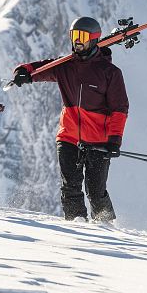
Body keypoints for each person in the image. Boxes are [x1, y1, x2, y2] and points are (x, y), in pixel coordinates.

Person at [11, 16, 129, 222]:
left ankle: (106, 227)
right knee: (70, 186)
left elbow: (119, 109)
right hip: (69, 137)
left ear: (93, 39)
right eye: (74, 36)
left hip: (98, 141)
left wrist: (114, 140)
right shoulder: (65, 66)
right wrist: (24, 72)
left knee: (96, 190)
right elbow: (41, 69)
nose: (77, 41)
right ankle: (76, 227)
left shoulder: (110, 73)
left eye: (82, 36)